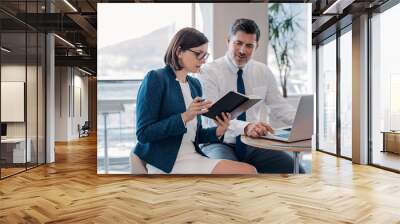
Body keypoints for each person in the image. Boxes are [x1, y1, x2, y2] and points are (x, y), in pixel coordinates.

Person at [133, 27, 257, 174]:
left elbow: (195, 135)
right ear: (179, 52)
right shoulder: (156, 78)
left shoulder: (195, 85)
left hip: (193, 156)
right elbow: (143, 133)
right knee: (247, 172)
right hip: (167, 163)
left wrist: (219, 130)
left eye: (205, 55)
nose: (203, 60)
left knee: (249, 171)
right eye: (198, 54)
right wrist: (185, 116)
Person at [198, 18, 305, 173]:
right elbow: (211, 119)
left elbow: (279, 107)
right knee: (231, 179)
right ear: (228, 41)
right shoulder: (208, 72)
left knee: (297, 172)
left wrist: (304, 123)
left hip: (253, 144)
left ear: (257, 46)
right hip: (218, 142)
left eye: (249, 45)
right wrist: (246, 127)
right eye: (238, 43)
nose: (243, 50)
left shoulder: (263, 71)